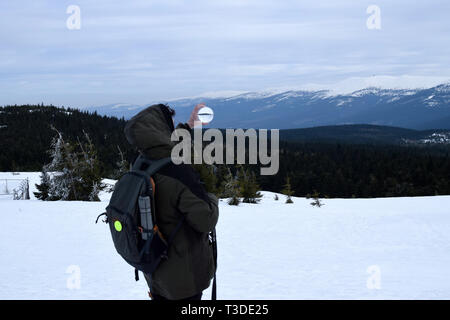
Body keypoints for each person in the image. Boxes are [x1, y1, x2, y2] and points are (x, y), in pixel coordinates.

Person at [124, 103, 219, 301]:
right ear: (159, 129)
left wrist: (190, 125)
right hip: (183, 279)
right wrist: (211, 197)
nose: (172, 129)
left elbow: (167, 146)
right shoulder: (178, 172)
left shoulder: (142, 162)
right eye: (170, 125)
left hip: (155, 270)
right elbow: (206, 220)